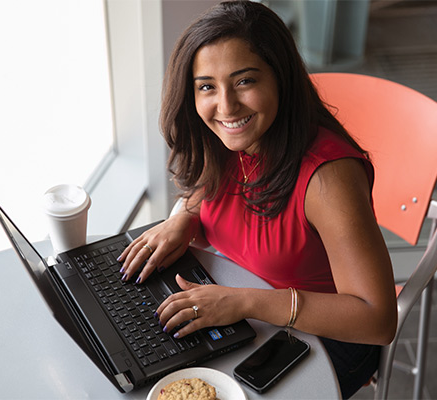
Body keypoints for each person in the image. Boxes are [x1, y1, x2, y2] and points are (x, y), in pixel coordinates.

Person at [117, 1, 397, 398]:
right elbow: (210, 194)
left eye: (245, 81)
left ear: (280, 78)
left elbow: (378, 319)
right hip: (246, 313)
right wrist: (184, 216)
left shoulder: (328, 178)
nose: (226, 106)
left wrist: (244, 302)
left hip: (326, 335)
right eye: (207, 87)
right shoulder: (228, 142)